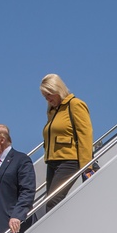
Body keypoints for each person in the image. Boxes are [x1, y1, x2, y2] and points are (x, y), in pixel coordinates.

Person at [41, 73, 93, 212]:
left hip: (69, 160)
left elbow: (85, 135)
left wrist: (87, 166)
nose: (47, 99)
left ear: (57, 89)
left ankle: (54, 232)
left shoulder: (75, 105)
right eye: (45, 96)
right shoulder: (52, 112)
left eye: (49, 94)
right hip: (52, 162)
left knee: (53, 202)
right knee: (50, 202)